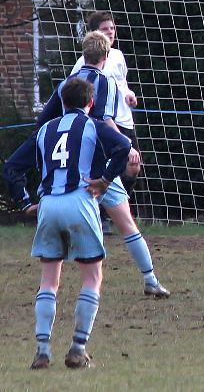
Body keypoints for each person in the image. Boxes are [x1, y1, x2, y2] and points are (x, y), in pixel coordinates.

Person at [2, 31, 170, 298]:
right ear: (106, 56)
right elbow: (104, 123)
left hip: (62, 168)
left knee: (56, 235)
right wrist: (126, 149)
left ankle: (48, 290)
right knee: (126, 224)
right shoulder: (107, 84)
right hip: (95, 169)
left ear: (83, 55)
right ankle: (150, 279)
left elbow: (43, 121)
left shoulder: (67, 84)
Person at [29, 77, 132, 369]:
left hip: (48, 205)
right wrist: (106, 179)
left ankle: (42, 350)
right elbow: (123, 146)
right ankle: (77, 348)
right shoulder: (93, 125)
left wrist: (25, 200)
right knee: (92, 277)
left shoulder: (44, 130)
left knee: (48, 280)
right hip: (80, 201)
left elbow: (19, 165)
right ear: (91, 103)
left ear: (61, 102)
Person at [71, 12, 141, 196]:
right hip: (105, 124)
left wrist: (130, 96)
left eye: (112, 28)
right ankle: (104, 215)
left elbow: (122, 84)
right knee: (106, 167)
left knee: (133, 166)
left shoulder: (118, 56)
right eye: (105, 29)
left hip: (125, 121)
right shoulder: (83, 63)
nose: (110, 32)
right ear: (95, 33)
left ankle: (115, 208)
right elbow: (74, 91)